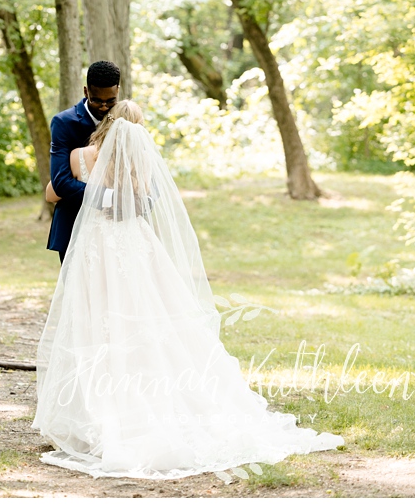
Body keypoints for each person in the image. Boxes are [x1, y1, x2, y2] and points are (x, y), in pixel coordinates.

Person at [33, 100, 344, 478]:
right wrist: (118, 198)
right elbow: (146, 201)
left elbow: (53, 192)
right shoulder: (138, 159)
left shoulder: (81, 155)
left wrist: (91, 192)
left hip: (93, 249)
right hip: (131, 245)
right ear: (137, 130)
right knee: (145, 320)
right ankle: (142, 402)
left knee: (92, 323)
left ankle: (90, 413)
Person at [44, 61, 121, 263]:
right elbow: (61, 182)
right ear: (86, 92)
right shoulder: (64, 123)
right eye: (97, 101)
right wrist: (111, 198)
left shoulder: (126, 120)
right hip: (74, 226)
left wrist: (141, 202)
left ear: (118, 91)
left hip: (120, 228)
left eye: (110, 101)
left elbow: (147, 170)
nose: (104, 107)